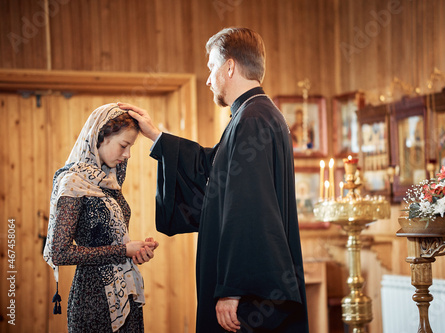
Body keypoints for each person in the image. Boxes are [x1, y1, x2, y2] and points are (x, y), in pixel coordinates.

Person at [119, 27, 309, 333]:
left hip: (248, 296)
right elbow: (214, 171)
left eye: (211, 67)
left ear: (229, 67)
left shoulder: (252, 119)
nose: (208, 79)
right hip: (251, 291)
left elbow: (248, 207)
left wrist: (231, 289)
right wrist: (158, 138)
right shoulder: (257, 113)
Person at [43, 103, 159, 333]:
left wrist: (135, 250)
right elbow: (60, 252)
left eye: (130, 147)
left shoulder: (109, 181)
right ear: (100, 137)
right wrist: (122, 251)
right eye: (124, 145)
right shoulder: (73, 182)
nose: (127, 154)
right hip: (92, 298)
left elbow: (110, 238)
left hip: (125, 292)